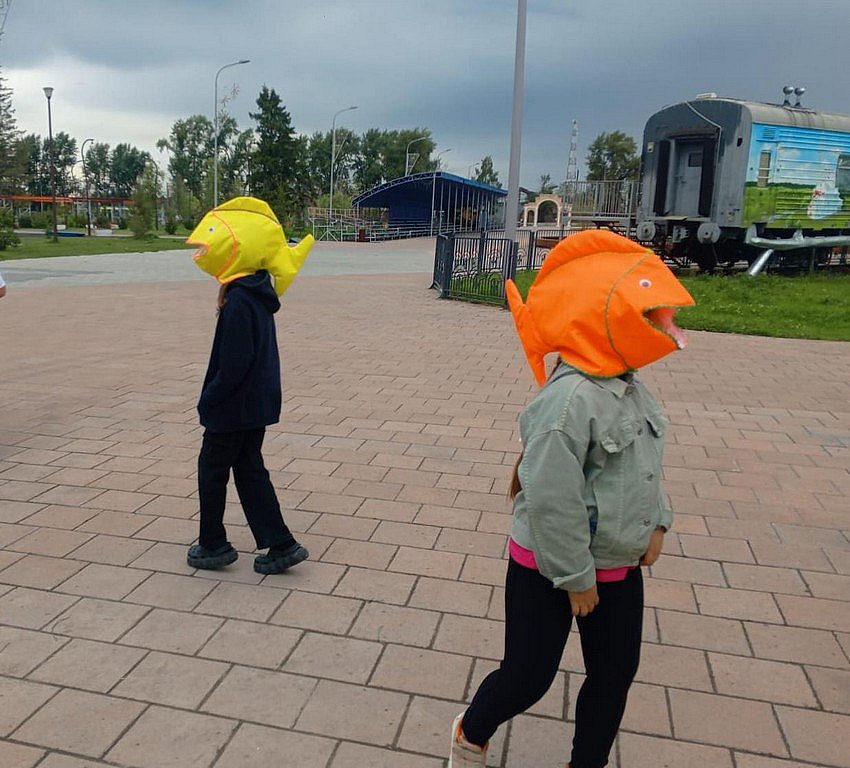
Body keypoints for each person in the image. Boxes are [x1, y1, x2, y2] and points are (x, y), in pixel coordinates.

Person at [448, 230, 695, 768]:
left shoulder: (630, 386)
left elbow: (643, 465)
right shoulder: (568, 403)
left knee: (614, 674)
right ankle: (472, 731)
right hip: (550, 565)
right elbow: (551, 500)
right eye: (649, 315)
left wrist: (658, 521)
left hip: (617, 563)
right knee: (528, 676)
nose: (665, 324)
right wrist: (576, 577)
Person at [184, 197, 315, 575]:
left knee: (212, 469)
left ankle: (213, 544)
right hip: (254, 405)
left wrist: (210, 399)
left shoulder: (240, 301)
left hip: (233, 407)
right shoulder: (256, 293)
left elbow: (235, 364)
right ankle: (281, 543)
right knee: (248, 468)